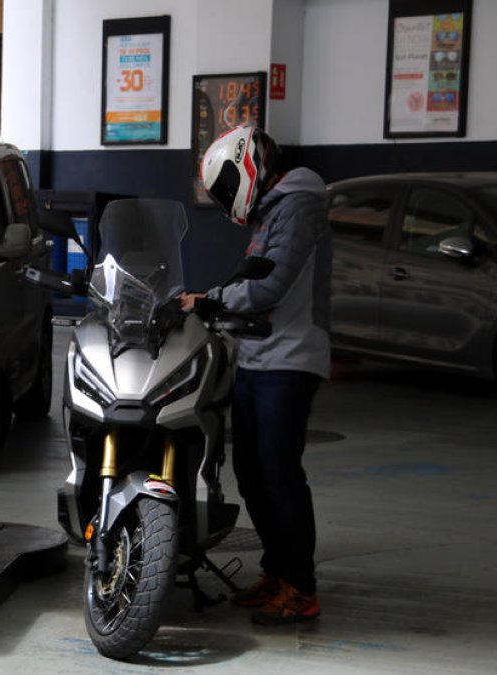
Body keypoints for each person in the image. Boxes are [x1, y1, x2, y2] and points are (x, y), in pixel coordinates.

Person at [181, 124, 331, 626]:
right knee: (251, 473)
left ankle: (300, 587)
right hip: (259, 357)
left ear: (247, 167)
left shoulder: (298, 203)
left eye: (225, 186)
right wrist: (213, 299)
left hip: (289, 361)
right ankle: (277, 570)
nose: (226, 200)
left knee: (280, 476)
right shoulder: (273, 211)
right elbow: (252, 279)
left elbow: (268, 287)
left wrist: (210, 300)